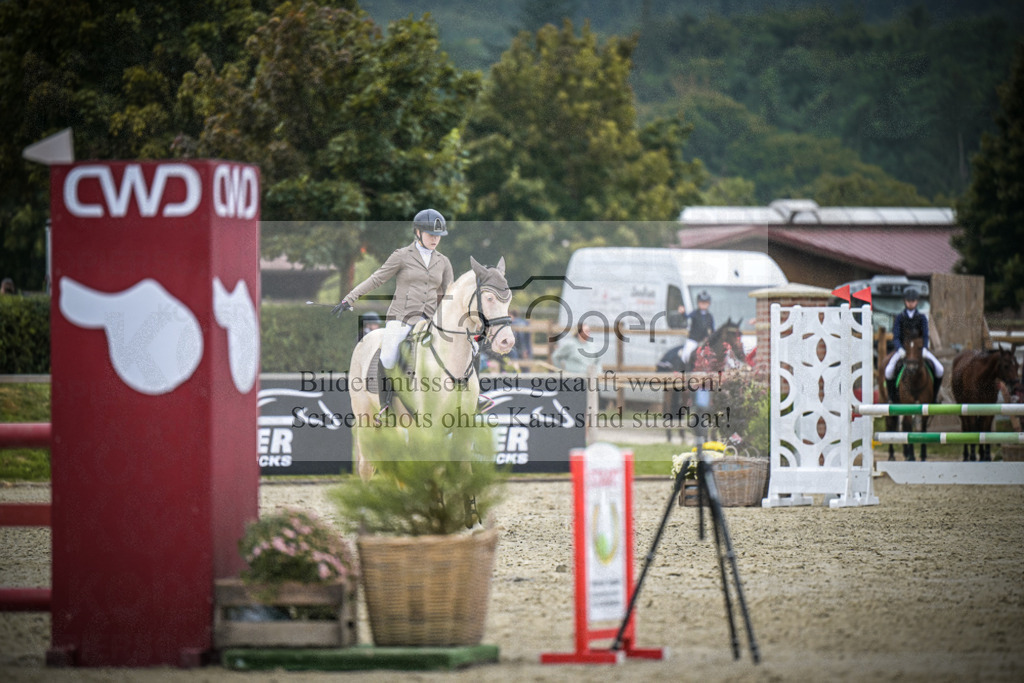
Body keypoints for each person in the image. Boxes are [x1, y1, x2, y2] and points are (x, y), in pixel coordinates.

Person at [334, 209, 453, 370]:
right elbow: (377, 279)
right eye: (430, 234)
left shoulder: (443, 262)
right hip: (402, 318)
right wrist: (349, 298)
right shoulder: (402, 256)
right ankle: (385, 394)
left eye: (438, 235)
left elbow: (450, 293)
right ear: (418, 232)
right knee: (388, 358)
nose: (435, 239)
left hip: (430, 320)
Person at [884, 287, 943, 402]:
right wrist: (900, 349)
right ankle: (892, 398)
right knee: (888, 371)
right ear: (905, 301)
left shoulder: (921, 318)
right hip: (903, 351)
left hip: (919, 350)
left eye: (913, 301)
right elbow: (896, 336)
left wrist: (925, 348)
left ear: (917, 301)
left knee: (940, 369)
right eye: (908, 301)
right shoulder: (900, 318)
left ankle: (934, 397)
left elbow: (925, 334)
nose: (911, 303)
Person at [678, 290, 715, 369]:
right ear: (698, 303)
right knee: (686, 355)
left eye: (706, 302)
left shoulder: (710, 316)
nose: (704, 304)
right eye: (702, 302)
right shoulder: (695, 313)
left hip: (705, 341)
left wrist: (710, 337)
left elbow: (712, 329)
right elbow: (686, 317)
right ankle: (683, 370)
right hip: (693, 340)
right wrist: (682, 313)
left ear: (709, 303)